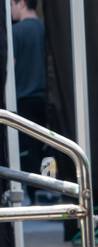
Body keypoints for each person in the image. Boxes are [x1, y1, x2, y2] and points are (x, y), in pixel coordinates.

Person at [11, 0, 46, 173]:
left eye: (12, 4)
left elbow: (10, 66)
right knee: (45, 148)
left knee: (27, 152)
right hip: (46, 100)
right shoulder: (45, 30)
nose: (10, 10)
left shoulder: (15, 32)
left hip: (23, 100)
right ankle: (48, 189)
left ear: (22, 3)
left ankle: (32, 192)